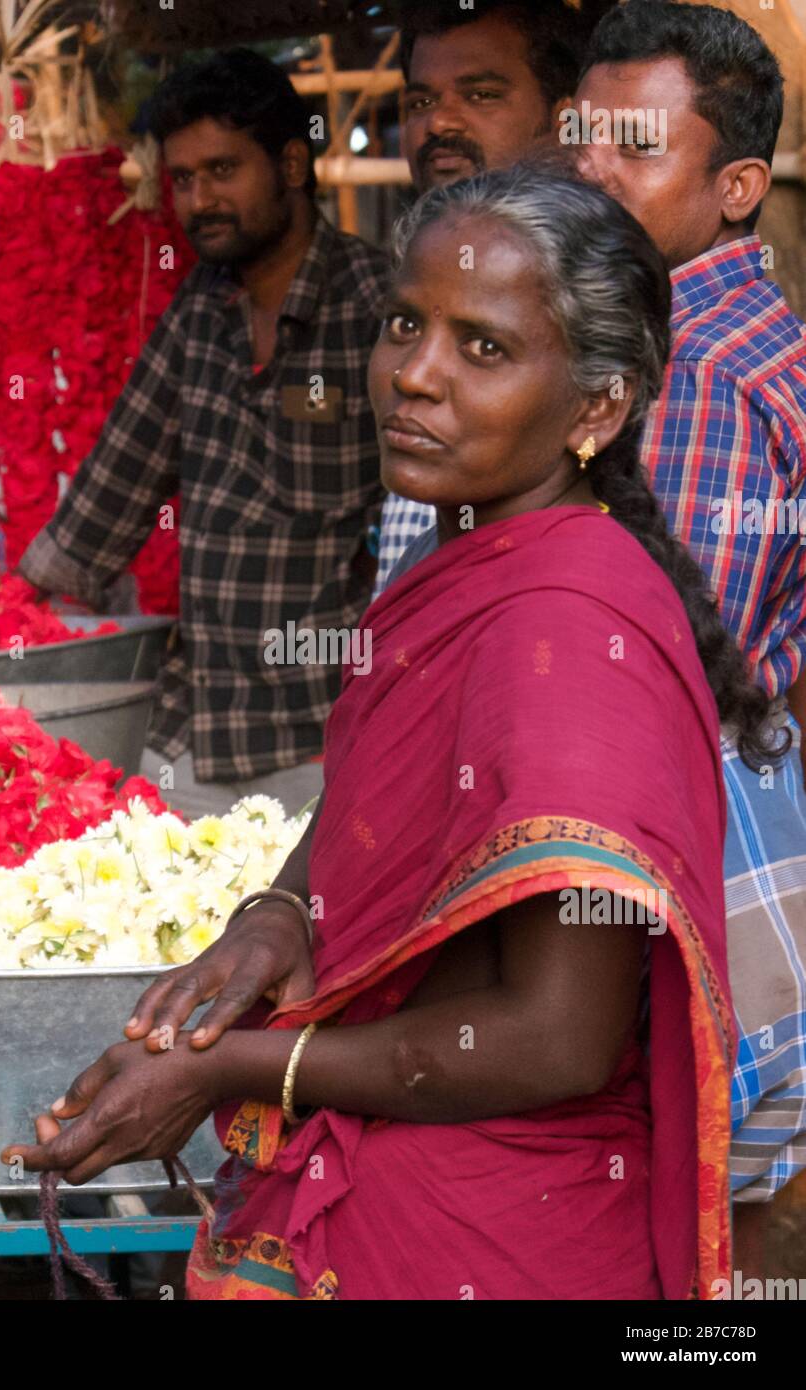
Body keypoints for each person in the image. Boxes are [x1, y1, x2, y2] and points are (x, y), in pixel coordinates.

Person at [3, 169, 783, 1300]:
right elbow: (386, 786)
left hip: (493, 1236)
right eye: (407, 325)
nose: (413, 376)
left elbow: (559, 1036)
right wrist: (277, 910)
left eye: (483, 349)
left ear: (597, 408)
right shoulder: (468, 553)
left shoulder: (565, 628)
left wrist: (239, 1062)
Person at [573, 0, 806, 1275]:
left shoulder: (697, 371)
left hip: (680, 854)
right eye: (586, 136)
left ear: (735, 188)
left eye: (635, 146)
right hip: (736, 855)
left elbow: (647, 667)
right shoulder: (726, 338)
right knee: (731, 1224)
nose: (593, 169)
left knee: (677, 1228)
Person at [18, 49, 392, 820]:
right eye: (183, 180)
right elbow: (116, 482)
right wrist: (7, 622)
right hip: (192, 727)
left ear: (291, 163)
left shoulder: (378, 308)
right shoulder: (199, 308)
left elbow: (425, 529)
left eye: (222, 171)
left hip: (323, 735)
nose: (199, 200)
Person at [372, 0, 590, 596]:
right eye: (420, 102)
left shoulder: (599, 296)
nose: (439, 122)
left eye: (481, 94)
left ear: (564, 120)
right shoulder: (415, 276)